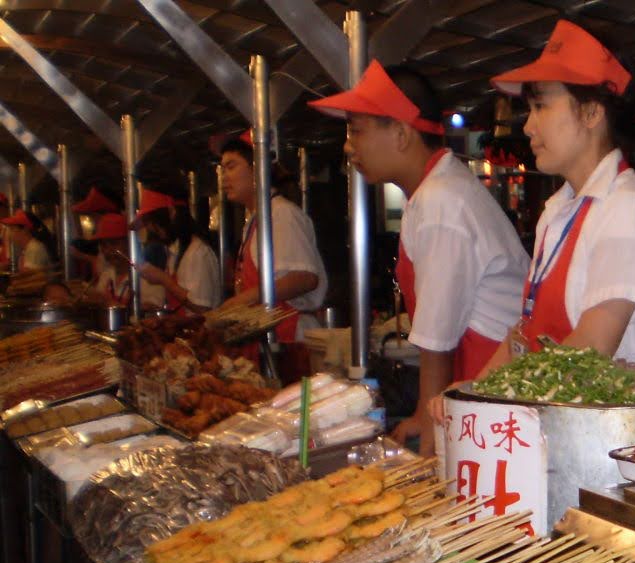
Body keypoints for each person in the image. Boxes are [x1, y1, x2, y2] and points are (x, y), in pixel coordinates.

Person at [309, 61, 528, 452]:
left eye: (356, 131)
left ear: (400, 133)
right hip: (476, 395)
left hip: (495, 399)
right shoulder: (432, 192)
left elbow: (437, 344)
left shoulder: (441, 201)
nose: (348, 145)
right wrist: (422, 416)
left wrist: (433, 443)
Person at [471, 20, 635, 383]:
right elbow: (526, 329)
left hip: (618, 434)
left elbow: (591, 349)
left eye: (541, 107)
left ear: (592, 112)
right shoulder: (557, 211)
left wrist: (503, 397)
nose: (528, 126)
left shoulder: (627, 209)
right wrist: (474, 391)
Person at [218, 132, 327, 341]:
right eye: (222, 169)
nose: (224, 177)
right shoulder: (255, 219)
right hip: (267, 337)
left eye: (231, 167)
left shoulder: (282, 214)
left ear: (257, 168)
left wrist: (239, 302)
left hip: (289, 339)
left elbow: (305, 278)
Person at [133, 188, 222, 312]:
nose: (150, 229)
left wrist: (164, 279)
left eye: (151, 222)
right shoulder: (175, 251)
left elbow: (202, 308)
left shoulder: (197, 253)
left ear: (171, 213)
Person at [81, 213, 133, 307]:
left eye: (114, 244)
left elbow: (148, 311)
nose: (108, 251)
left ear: (129, 243)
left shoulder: (144, 277)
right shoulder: (107, 275)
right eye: (104, 246)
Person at [2, 210, 53, 275]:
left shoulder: (34, 248)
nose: (10, 234)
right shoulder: (28, 247)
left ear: (25, 230)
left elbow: (32, 279)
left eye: (13, 229)